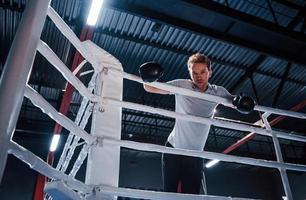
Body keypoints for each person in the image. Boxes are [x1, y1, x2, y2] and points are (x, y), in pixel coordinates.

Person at [143, 53, 233, 194]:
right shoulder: (182, 85)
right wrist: (148, 77)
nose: (198, 76)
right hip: (173, 149)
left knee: (192, 196)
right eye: (194, 72)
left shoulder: (218, 92)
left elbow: (236, 103)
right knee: (169, 194)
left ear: (210, 72)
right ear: (190, 73)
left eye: (203, 72)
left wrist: (243, 101)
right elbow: (150, 88)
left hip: (195, 155)